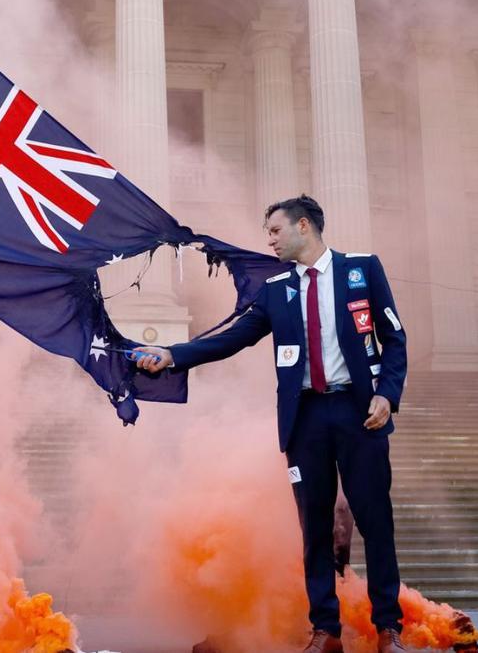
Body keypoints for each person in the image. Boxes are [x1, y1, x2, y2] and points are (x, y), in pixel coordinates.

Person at [136, 194, 408, 653]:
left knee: (376, 522)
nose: (271, 240)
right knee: (314, 528)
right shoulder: (278, 288)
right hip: (305, 419)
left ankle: (388, 629)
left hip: (358, 413)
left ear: (304, 226)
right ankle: (325, 632)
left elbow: (395, 339)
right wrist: (172, 356)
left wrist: (387, 394)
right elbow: (234, 339)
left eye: (276, 231)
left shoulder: (362, 270)